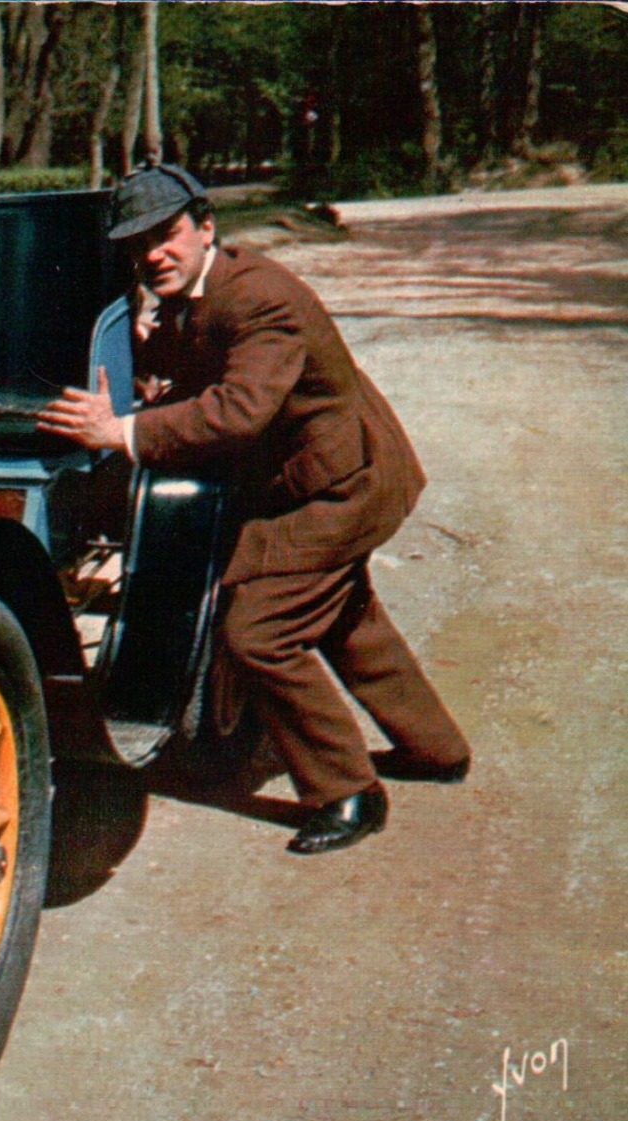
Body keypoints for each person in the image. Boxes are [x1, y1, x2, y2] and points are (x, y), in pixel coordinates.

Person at [38, 163, 471, 855]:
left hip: (343, 486)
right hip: (308, 480)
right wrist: (140, 371)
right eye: (137, 243)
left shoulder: (261, 298)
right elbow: (199, 360)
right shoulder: (196, 292)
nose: (153, 253)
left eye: (167, 234)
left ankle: (348, 793)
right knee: (341, 614)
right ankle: (436, 750)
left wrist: (119, 431)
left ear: (206, 228)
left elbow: (238, 411)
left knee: (259, 633)